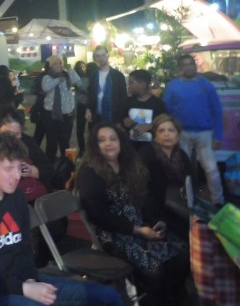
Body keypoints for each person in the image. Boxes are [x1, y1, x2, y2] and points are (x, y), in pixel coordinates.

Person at [0, 133, 123, 306]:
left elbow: (25, 246)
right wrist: (23, 289)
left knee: (106, 295)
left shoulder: (15, 195)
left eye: (19, 167)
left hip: (23, 279)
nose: (17, 176)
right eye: (8, 169)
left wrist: (29, 279)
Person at [76, 124, 188, 306]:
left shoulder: (129, 165)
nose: (108, 143)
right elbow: (98, 215)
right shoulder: (89, 172)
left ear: (121, 141)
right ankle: (154, 298)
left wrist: (157, 220)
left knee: (182, 251)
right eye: (102, 140)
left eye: (113, 139)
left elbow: (146, 198)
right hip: (112, 232)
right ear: (95, 146)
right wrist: (136, 230)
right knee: (154, 268)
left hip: (141, 224)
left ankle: (171, 297)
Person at [164, 53, 225, 205]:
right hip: (181, 133)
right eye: (184, 64)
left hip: (204, 133)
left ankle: (218, 200)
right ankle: (188, 199)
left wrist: (218, 136)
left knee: (211, 168)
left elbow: (217, 110)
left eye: (190, 63)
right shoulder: (172, 86)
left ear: (195, 65)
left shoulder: (206, 85)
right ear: (180, 68)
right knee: (183, 169)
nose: (188, 67)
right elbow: (166, 110)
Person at [138, 114, 192, 237]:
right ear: (155, 136)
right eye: (161, 131)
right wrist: (157, 218)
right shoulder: (145, 155)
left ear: (178, 135)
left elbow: (190, 185)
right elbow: (143, 192)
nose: (166, 134)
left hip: (177, 206)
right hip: (151, 210)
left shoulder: (183, 156)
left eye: (171, 130)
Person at [41, 55, 82, 160]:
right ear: (51, 66)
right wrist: (59, 79)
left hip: (66, 114)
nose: (58, 65)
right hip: (51, 115)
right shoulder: (47, 77)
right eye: (55, 64)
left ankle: (66, 165)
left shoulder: (67, 75)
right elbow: (46, 87)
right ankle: (50, 164)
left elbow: (78, 81)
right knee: (51, 142)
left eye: (60, 63)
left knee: (65, 142)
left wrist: (70, 69)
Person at [85, 46, 127, 127]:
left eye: (103, 55)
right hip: (96, 116)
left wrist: (120, 119)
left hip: (113, 116)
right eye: (98, 56)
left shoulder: (118, 76)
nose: (101, 58)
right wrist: (88, 109)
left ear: (107, 56)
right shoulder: (93, 75)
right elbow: (90, 94)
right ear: (95, 58)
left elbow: (123, 98)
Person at [123, 69, 168, 145]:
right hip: (130, 146)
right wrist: (124, 121)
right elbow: (121, 119)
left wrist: (151, 126)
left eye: (131, 82)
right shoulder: (127, 101)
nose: (129, 86)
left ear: (143, 84)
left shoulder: (158, 103)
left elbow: (165, 121)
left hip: (152, 146)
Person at [73, 61, 90, 157]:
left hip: (89, 105)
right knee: (80, 129)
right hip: (80, 105)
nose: (82, 68)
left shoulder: (90, 78)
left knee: (91, 129)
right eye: (80, 67)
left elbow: (89, 91)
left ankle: (91, 149)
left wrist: (83, 90)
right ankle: (82, 149)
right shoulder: (76, 79)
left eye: (83, 66)